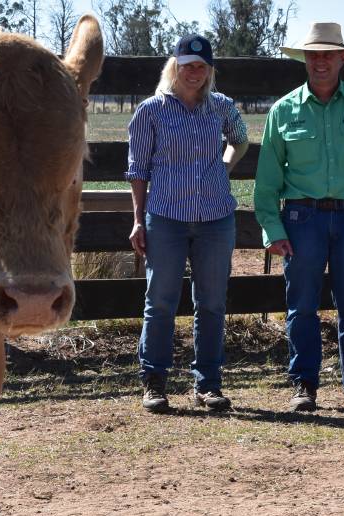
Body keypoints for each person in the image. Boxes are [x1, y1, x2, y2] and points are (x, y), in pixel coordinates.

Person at [254, 22, 344, 416]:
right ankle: (304, 384)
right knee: (300, 305)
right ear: (305, 59)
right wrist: (273, 227)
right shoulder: (283, 110)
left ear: (342, 59)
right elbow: (267, 181)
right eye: (314, 54)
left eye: (328, 54)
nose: (321, 61)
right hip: (301, 218)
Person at [126, 33, 249, 413]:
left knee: (211, 303)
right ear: (174, 66)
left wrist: (223, 167)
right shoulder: (151, 110)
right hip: (166, 218)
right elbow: (138, 170)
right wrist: (137, 220)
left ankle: (208, 383)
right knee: (160, 301)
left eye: (201, 66)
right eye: (187, 65)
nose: (194, 72)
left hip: (215, 219)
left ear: (209, 70)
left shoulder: (222, 107)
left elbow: (240, 139)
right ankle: (154, 381)